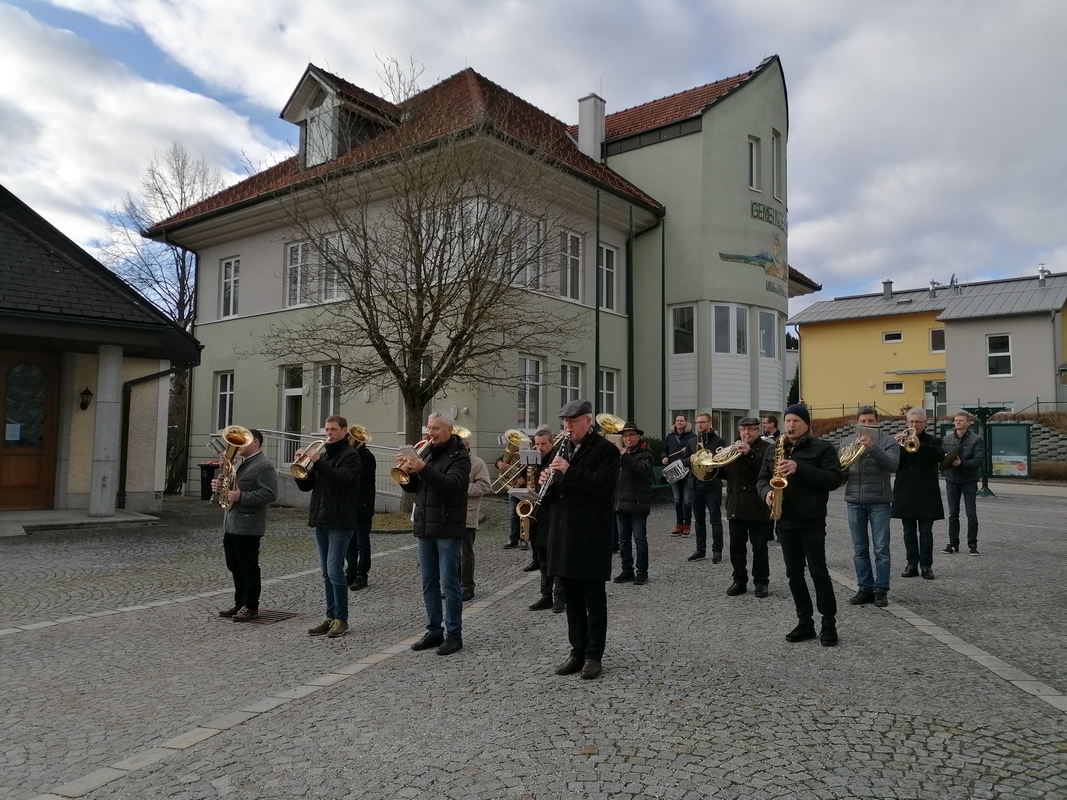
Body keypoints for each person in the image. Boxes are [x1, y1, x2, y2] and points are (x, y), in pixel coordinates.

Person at [543, 399, 620, 680]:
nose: (567, 427)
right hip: (564, 536)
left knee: (593, 600)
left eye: (572, 422)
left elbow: (604, 486)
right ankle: (576, 651)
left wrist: (569, 471)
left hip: (590, 536)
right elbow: (559, 493)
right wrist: (547, 482)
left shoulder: (606, 451)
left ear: (587, 422)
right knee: (571, 599)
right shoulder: (563, 448)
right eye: (564, 422)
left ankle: (593, 656)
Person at [757, 404, 842, 646]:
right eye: (788, 421)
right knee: (794, 574)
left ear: (806, 424)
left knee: (818, 572)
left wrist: (800, 467)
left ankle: (829, 623)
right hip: (784, 520)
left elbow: (834, 479)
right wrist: (766, 494)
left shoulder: (822, 448)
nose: (791, 425)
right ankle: (805, 622)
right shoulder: (775, 449)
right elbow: (762, 479)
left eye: (796, 421)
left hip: (811, 521)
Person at [399, 411, 471, 656]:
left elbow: (452, 485)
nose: (430, 432)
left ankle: (454, 634)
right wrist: (407, 475)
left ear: (449, 430)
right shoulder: (427, 452)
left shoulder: (460, 457)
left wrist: (422, 468)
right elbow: (417, 489)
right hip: (426, 525)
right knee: (428, 583)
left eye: (436, 428)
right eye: (429, 427)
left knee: (449, 584)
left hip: (448, 528)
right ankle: (434, 630)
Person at [295, 416, 361, 639]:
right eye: (327, 429)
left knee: (335, 570)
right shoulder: (323, 455)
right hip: (321, 519)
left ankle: (341, 619)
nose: (329, 434)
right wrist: (301, 467)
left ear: (344, 431)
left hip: (341, 521)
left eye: (333, 430)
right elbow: (307, 486)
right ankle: (330, 616)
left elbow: (341, 480)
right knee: (325, 572)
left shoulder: (351, 456)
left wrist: (319, 463)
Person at [216, 428, 278, 622]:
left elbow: (270, 494)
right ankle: (239, 602)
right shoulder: (240, 464)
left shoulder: (264, 465)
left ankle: (251, 606)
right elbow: (231, 487)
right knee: (234, 565)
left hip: (249, 525)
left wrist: (241, 496)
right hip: (232, 523)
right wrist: (220, 487)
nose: (239, 446)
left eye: (244, 442)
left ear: (256, 443)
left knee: (248, 567)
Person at [842, 406, 900, 608]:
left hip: (880, 501)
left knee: (881, 549)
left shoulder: (888, 441)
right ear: (857, 422)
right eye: (863, 421)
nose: (867, 425)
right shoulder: (847, 441)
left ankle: (881, 589)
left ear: (877, 422)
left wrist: (873, 448)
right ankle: (864, 587)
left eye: (870, 421)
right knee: (859, 549)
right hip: (854, 501)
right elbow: (842, 468)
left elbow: (893, 465)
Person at [719, 418, 773, 598]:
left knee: (759, 548)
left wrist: (749, 453)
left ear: (758, 430)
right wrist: (711, 466)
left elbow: (768, 472)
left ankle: (761, 581)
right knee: (736, 547)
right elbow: (723, 472)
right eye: (743, 430)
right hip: (736, 506)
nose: (746, 433)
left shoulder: (767, 449)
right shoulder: (732, 449)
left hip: (757, 507)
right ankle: (739, 580)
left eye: (750, 430)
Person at [892, 408, 944, 580]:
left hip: (926, 492)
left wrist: (920, 446)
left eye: (918, 422)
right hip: (905, 490)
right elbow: (892, 463)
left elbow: (939, 457)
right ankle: (911, 564)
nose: (914, 425)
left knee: (926, 531)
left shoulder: (934, 441)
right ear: (907, 423)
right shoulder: (900, 442)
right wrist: (894, 445)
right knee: (908, 531)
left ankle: (926, 565)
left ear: (925, 423)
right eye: (911, 422)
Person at [526, 429, 565, 611]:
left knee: (555, 557)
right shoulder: (532, 460)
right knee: (542, 559)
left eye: (543, 444)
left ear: (551, 444)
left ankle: (560, 597)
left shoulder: (557, 459)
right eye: (537, 444)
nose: (539, 447)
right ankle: (545, 595)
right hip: (538, 514)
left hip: (553, 513)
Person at [613, 421, 654, 585]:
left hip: (638, 503)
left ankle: (642, 571)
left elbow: (641, 471)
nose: (627, 439)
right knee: (623, 540)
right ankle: (627, 570)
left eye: (630, 435)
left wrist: (625, 456)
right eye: (624, 436)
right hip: (621, 503)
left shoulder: (646, 453)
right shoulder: (620, 454)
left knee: (639, 539)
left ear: (638, 436)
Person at [942, 411, 986, 556]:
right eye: (956, 420)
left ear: (969, 423)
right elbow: (942, 457)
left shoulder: (976, 439)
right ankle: (953, 543)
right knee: (953, 514)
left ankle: (972, 544)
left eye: (961, 420)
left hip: (968, 480)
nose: (958, 422)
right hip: (951, 480)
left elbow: (978, 460)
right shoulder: (947, 439)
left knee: (971, 514)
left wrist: (962, 464)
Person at [686, 412, 725, 563]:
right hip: (694, 486)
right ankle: (700, 550)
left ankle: (717, 551)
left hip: (712, 486)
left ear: (709, 423)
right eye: (697, 422)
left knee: (715, 520)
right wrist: (689, 459)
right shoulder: (691, 442)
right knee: (699, 520)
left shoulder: (719, 441)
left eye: (702, 422)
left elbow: (722, 463)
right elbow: (684, 461)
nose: (699, 425)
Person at [461, 437, 491, 602]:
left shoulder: (477, 463)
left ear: (467, 445)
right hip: (451, 514)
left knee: (465, 553)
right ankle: (454, 585)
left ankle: (467, 586)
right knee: (451, 554)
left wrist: (462, 487)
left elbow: (485, 486)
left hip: (468, 513)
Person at [344, 434, 376, 591]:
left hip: (362, 506)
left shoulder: (367, 457)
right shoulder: (350, 456)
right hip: (350, 507)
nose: (349, 441)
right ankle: (350, 572)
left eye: (351, 439)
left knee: (362, 543)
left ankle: (362, 574)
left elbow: (357, 476)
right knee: (350, 544)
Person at [663, 414, 695, 536]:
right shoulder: (670, 436)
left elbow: (696, 452)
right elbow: (664, 449)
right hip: (673, 471)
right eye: (677, 421)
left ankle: (687, 526)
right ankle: (678, 525)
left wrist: (686, 451)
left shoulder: (692, 437)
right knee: (677, 499)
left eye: (681, 420)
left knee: (686, 499)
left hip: (687, 470)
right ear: (675, 423)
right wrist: (664, 457)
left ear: (686, 422)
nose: (679, 422)